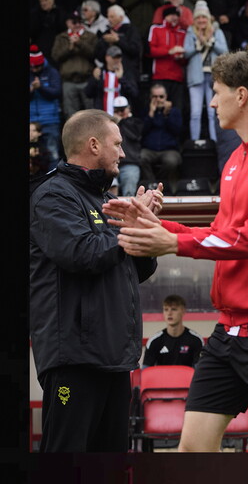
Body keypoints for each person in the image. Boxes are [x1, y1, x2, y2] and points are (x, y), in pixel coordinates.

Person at [104, 47, 248, 453]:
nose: (211, 100)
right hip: (230, 331)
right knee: (191, 452)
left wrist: (172, 242)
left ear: (242, 95)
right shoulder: (236, 159)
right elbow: (225, 234)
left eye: (217, 90)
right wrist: (153, 223)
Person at [30, 109, 161, 452]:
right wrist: (130, 225)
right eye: (116, 144)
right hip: (74, 359)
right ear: (92, 145)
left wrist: (143, 224)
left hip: (114, 357)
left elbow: (140, 270)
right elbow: (82, 253)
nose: (123, 153)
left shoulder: (104, 200)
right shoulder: (52, 196)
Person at [184, 2, 228, 142]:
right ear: (195, 20)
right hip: (196, 76)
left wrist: (210, 41)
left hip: (214, 77)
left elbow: (225, 51)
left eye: (204, 17)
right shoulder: (190, 33)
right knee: (196, 112)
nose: (201, 20)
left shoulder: (217, 32)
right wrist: (198, 44)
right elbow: (186, 53)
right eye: (198, 18)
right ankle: (195, 142)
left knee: (213, 111)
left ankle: (215, 141)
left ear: (208, 19)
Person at [51, 10, 97, 121]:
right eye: (74, 22)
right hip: (68, 81)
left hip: (86, 80)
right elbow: (55, 56)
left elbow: (95, 54)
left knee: (91, 114)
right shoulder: (61, 37)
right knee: (71, 116)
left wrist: (80, 43)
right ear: (67, 23)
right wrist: (69, 48)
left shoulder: (90, 36)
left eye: (79, 22)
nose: (77, 25)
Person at [140, 83, 183, 189]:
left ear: (166, 97)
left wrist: (166, 114)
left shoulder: (174, 111)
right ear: (150, 97)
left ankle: (160, 185)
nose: (158, 99)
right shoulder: (146, 111)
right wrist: (151, 113)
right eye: (155, 97)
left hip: (169, 150)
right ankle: (151, 185)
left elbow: (177, 131)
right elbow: (141, 132)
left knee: (171, 161)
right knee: (140, 157)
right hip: (149, 150)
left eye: (161, 97)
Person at [143, 294, 204, 367]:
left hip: (187, 378)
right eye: (166, 309)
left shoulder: (196, 340)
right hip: (162, 378)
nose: (169, 313)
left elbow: (199, 373)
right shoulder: (154, 341)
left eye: (174, 309)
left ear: (183, 311)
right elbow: (145, 373)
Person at [147, 5, 187, 114]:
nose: (174, 18)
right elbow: (150, 51)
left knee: (176, 110)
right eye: (171, 15)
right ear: (165, 17)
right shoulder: (156, 29)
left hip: (177, 78)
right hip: (160, 76)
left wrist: (181, 57)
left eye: (176, 15)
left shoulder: (183, 33)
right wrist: (170, 51)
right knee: (157, 108)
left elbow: (186, 59)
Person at [29, 44, 63, 165]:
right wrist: (31, 90)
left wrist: (41, 88)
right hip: (32, 123)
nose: (34, 69)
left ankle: (52, 183)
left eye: (37, 66)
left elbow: (57, 92)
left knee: (53, 154)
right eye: (32, 67)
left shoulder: (52, 72)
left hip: (50, 120)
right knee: (32, 156)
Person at [84, 45, 139, 115]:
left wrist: (121, 79)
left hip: (121, 115)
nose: (117, 60)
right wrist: (94, 79)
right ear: (107, 58)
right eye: (114, 57)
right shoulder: (99, 72)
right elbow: (88, 93)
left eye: (119, 57)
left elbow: (134, 93)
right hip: (103, 114)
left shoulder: (126, 73)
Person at [95, 4, 142, 83]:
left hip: (129, 73)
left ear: (121, 17)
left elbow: (135, 50)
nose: (109, 20)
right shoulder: (106, 33)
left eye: (112, 17)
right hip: (109, 74)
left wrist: (118, 41)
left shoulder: (131, 30)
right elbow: (99, 56)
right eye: (108, 17)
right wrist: (108, 44)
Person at [113, 96, 143, 197]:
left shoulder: (135, 122)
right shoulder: (110, 125)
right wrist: (115, 122)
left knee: (129, 194)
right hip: (111, 163)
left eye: (122, 109)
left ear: (128, 108)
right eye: (117, 110)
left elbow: (135, 135)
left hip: (130, 163)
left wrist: (122, 121)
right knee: (108, 193)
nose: (120, 112)